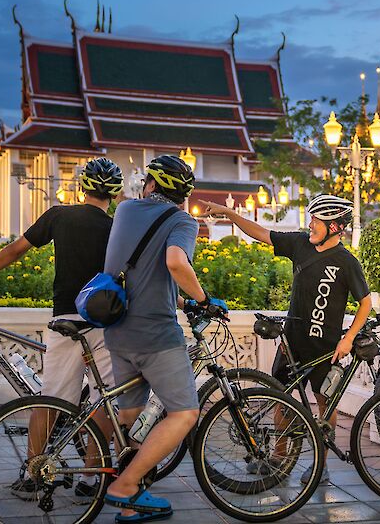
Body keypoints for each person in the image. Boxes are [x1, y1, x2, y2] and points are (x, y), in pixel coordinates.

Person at [0, 157, 124, 496]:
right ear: (114, 194)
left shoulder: (59, 216)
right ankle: (90, 480)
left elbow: (15, 250)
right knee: (105, 401)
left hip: (66, 321)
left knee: (52, 399)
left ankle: (33, 474)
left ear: (84, 186)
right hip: (105, 323)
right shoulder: (117, 227)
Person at [200, 193, 372, 483]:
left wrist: (348, 340)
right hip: (291, 342)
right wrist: (229, 214)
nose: (311, 225)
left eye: (317, 221)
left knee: (324, 404)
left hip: (326, 346)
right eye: (312, 219)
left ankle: (322, 464)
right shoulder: (300, 244)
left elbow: (365, 302)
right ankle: (279, 458)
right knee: (281, 397)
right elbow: (260, 233)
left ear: (334, 227)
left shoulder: (346, 262)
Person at [101, 155, 227, 522]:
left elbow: (141, 271)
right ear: (183, 196)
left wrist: (183, 299)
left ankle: (130, 501)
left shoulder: (124, 211)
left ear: (151, 185)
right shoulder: (182, 221)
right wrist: (203, 300)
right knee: (185, 413)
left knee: (132, 416)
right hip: (155, 332)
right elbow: (174, 262)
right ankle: (124, 486)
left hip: (117, 327)